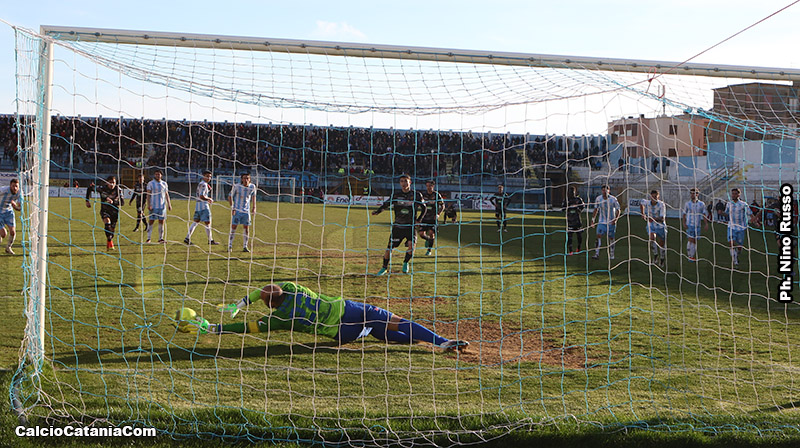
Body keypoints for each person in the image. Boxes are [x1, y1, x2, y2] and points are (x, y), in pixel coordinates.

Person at [177, 281, 469, 352]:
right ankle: (441, 342)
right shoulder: (292, 288)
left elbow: (248, 328)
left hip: (340, 334)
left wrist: (215, 327)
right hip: (349, 310)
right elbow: (269, 286)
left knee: (379, 334)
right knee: (392, 321)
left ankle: (419, 341)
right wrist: (244, 300)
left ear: (268, 304)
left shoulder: (279, 319)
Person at [372, 174, 426, 275]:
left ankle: (405, 263)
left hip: (410, 227)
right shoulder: (396, 195)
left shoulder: (416, 195)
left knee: (411, 246)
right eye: (401, 181)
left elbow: (424, 208)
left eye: (406, 181)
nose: (403, 183)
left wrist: (419, 220)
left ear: (410, 182)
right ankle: (384, 268)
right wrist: (378, 211)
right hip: (398, 226)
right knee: (389, 249)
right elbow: (386, 204)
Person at [85, 175, 122, 250]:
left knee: (112, 231)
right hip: (105, 210)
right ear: (107, 183)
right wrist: (87, 200)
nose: (112, 184)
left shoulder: (118, 190)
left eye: (113, 182)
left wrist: (113, 201)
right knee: (107, 223)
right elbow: (89, 188)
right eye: (110, 182)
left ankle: (109, 240)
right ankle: (110, 241)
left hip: (114, 212)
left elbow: (122, 202)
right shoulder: (102, 189)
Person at [184, 170, 219, 246]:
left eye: (210, 176)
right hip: (204, 206)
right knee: (208, 223)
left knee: (195, 222)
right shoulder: (204, 185)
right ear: (203, 176)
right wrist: (209, 199)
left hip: (198, 206)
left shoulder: (201, 183)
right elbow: (201, 196)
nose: (209, 178)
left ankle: (187, 238)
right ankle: (210, 240)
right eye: (207, 176)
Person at [228, 172, 257, 252]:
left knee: (246, 228)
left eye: (248, 178)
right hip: (237, 210)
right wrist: (232, 207)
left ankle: (245, 246)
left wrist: (254, 207)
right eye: (244, 178)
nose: (246, 180)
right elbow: (230, 196)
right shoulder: (237, 186)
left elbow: (254, 196)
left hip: (246, 211)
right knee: (234, 227)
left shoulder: (252, 187)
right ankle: (230, 245)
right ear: (241, 179)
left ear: (250, 179)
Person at [590, 185, 621, 260]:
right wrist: (593, 220)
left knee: (611, 238)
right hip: (602, 221)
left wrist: (615, 219)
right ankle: (596, 254)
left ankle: (612, 254)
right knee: (598, 236)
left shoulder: (613, 199)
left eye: (606, 190)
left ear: (609, 191)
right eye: (603, 190)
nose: (604, 192)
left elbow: (618, 210)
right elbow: (596, 209)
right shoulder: (598, 198)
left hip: (611, 222)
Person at [640, 189, 667, 268]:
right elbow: (641, 203)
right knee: (652, 238)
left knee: (662, 244)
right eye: (652, 196)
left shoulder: (662, 205)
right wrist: (643, 214)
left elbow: (662, 219)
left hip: (661, 226)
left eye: (656, 197)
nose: (654, 198)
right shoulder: (647, 203)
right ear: (650, 196)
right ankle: (655, 255)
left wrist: (653, 219)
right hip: (651, 225)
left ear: (658, 197)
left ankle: (662, 258)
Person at [681, 188, 709, 262]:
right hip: (689, 224)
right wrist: (684, 223)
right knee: (691, 239)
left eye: (694, 193)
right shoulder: (687, 204)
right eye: (691, 193)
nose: (692, 195)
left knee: (695, 240)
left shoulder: (701, 204)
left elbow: (704, 214)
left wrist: (706, 224)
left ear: (697, 194)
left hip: (698, 225)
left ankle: (691, 256)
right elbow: (684, 214)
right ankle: (690, 256)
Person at [725, 188, 752, 267]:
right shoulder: (729, 204)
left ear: (739, 195)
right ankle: (735, 260)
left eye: (735, 194)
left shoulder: (744, 204)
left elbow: (750, 213)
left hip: (741, 228)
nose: (733, 195)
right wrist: (722, 213)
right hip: (731, 227)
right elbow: (726, 213)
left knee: (739, 246)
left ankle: (739, 251)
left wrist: (754, 220)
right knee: (731, 243)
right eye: (732, 193)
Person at [418, 179, 444, 256]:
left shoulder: (436, 195)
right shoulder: (423, 195)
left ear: (433, 186)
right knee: (421, 234)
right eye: (427, 186)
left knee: (431, 233)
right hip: (424, 217)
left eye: (430, 186)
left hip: (433, 218)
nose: (428, 187)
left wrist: (438, 214)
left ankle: (429, 250)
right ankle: (428, 240)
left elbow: (442, 205)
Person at [146, 170, 172, 243]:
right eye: (156, 174)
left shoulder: (164, 183)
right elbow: (148, 195)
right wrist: (149, 204)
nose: (157, 175)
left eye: (159, 174)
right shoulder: (150, 183)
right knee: (151, 221)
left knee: (161, 222)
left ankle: (160, 238)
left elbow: (167, 194)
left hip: (162, 206)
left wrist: (169, 204)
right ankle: (148, 238)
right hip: (153, 206)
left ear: (161, 175)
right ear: (154, 175)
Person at [0, 178, 21, 254]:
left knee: (12, 232)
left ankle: (8, 248)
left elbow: (19, 208)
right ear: (10, 186)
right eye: (13, 186)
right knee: (3, 234)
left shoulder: (19, 193)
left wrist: (15, 206)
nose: (15, 188)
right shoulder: (3, 190)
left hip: (8, 212)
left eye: (16, 186)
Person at [562, 185, 585, 255]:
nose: (572, 193)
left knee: (579, 235)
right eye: (570, 192)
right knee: (569, 236)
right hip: (570, 221)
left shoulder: (578, 200)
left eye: (573, 192)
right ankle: (570, 250)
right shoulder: (566, 200)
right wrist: (568, 208)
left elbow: (582, 206)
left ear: (575, 192)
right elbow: (563, 209)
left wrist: (578, 209)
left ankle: (578, 247)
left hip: (577, 220)